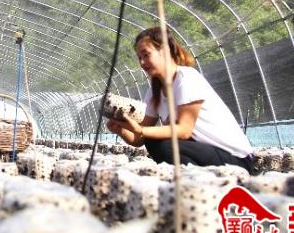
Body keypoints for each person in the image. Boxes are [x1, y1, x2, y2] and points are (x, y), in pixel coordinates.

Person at [108, 26, 254, 172]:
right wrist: (120, 129)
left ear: (165, 50)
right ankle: (188, 178)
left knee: (164, 145)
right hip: (204, 152)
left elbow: (184, 130)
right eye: (140, 58)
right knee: (153, 140)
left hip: (236, 159)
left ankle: (196, 180)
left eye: (146, 55)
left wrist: (141, 130)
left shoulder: (186, 78)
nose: (142, 63)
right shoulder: (154, 90)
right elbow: (140, 138)